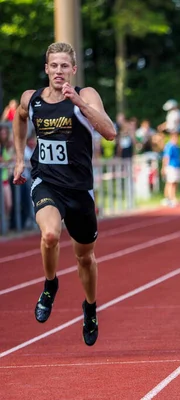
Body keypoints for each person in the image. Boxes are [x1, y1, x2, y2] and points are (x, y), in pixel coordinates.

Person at [12, 42, 116, 346]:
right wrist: (20, 159)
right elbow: (19, 118)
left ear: (73, 69)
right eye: (53, 66)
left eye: (64, 66)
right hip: (47, 182)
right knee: (51, 236)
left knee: (85, 257)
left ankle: (90, 308)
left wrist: (80, 104)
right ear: (46, 69)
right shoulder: (31, 100)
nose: (59, 71)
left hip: (79, 189)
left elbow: (109, 132)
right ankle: (50, 284)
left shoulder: (86, 95)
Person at [161, 131, 180, 207]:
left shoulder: (177, 146)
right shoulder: (169, 146)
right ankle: (168, 198)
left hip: (177, 166)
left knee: (175, 182)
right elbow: (166, 157)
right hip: (171, 166)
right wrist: (164, 167)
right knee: (170, 182)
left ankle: (173, 196)